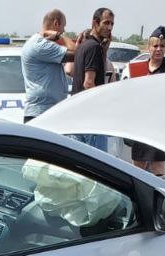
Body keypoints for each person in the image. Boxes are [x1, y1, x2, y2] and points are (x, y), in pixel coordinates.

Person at [129, 26, 165, 175]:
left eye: (162, 46)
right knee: (137, 165)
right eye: (155, 46)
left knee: (157, 166)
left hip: (159, 125)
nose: (159, 49)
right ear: (149, 47)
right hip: (140, 124)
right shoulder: (138, 68)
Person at [69, 7, 115, 151]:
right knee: (99, 165)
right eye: (106, 23)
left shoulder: (84, 46)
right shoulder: (94, 47)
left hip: (77, 115)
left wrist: (104, 50)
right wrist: (104, 104)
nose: (110, 28)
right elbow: (88, 83)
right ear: (95, 23)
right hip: (89, 117)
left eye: (112, 24)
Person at [21, 9, 79, 123]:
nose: (64, 30)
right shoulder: (40, 45)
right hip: (41, 113)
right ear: (56, 23)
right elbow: (77, 54)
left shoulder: (39, 43)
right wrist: (60, 37)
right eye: (63, 26)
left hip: (48, 111)